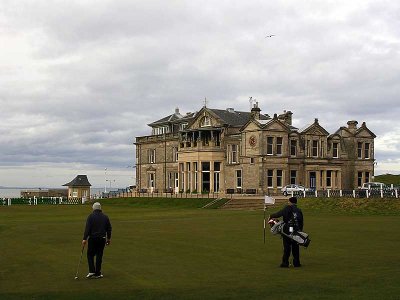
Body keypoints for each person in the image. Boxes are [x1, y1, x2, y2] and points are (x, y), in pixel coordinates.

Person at [269, 196, 304, 268]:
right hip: (296, 230)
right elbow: (301, 221)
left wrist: (271, 216)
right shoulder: (299, 210)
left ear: (290, 202)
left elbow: (278, 214)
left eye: (288, 201)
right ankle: (296, 263)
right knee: (295, 247)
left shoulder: (287, 208)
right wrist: (300, 230)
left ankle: (285, 263)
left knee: (287, 246)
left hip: (287, 229)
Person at [82, 202, 112, 278]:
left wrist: (84, 238)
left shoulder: (90, 216)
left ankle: (92, 271)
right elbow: (109, 229)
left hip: (93, 238)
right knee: (99, 255)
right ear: (100, 208)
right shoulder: (105, 217)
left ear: (93, 208)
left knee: (90, 254)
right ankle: (98, 273)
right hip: (102, 239)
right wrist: (108, 239)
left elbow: (87, 229)